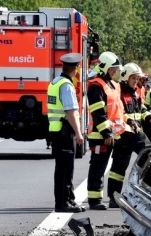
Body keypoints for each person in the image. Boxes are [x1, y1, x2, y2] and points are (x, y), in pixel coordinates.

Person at [106, 62, 151, 208]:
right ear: (126, 78)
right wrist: (129, 121)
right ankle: (113, 198)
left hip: (136, 134)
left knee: (149, 159)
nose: (136, 82)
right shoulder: (119, 92)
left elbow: (141, 109)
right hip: (123, 135)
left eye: (137, 79)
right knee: (118, 170)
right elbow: (119, 112)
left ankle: (146, 195)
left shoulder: (136, 93)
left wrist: (149, 116)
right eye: (134, 79)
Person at [85, 51, 125, 210]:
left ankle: (99, 198)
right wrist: (106, 133)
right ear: (104, 67)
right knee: (98, 167)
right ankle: (94, 200)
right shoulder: (96, 85)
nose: (114, 71)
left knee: (103, 166)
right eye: (112, 69)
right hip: (100, 134)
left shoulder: (110, 84)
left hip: (111, 134)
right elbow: (98, 112)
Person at [47, 53, 86, 213]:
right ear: (75, 69)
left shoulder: (55, 82)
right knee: (65, 169)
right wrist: (78, 133)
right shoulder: (67, 86)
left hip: (56, 131)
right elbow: (70, 111)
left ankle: (68, 200)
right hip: (65, 132)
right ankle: (63, 203)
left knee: (62, 168)